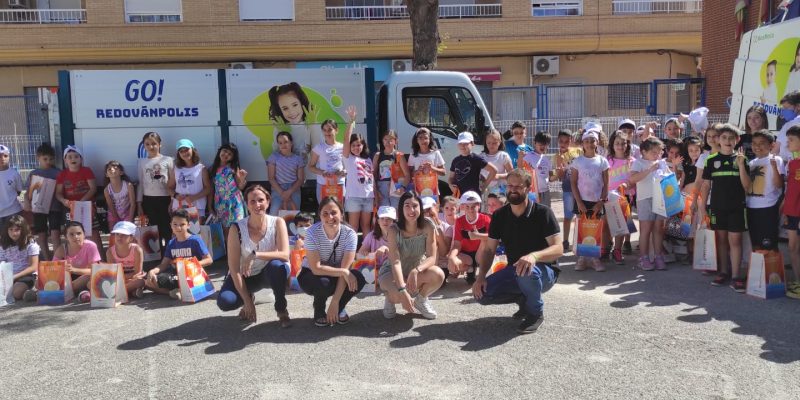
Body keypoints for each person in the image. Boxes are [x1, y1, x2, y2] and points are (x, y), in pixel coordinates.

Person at [472, 168, 563, 334]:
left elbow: (558, 248)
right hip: (515, 270)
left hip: (544, 271)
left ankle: (536, 313)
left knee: (526, 269)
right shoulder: (499, 216)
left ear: (528, 188)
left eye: (518, 186)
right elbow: (489, 250)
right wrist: (480, 278)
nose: (513, 190)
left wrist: (534, 256)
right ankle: (525, 299)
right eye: (509, 186)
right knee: (481, 295)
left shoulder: (543, 213)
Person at [218, 185, 292, 327]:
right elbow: (234, 269)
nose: (257, 205)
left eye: (261, 200)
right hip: (246, 275)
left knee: (278, 266)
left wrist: (255, 254)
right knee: (226, 302)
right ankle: (249, 296)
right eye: (252, 201)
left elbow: (284, 254)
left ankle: (281, 309)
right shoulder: (236, 228)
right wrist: (247, 301)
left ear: (268, 202)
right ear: (246, 204)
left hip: (269, 273)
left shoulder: (277, 222)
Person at [697, 124, 751, 292]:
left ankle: (736, 276)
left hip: (737, 207)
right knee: (721, 240)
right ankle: (723, 272)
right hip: (717, 207)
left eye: (731, 138)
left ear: (737, 140)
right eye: (724, 138)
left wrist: (741, 165)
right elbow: (706, 185)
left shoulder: (743, 159)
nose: (728, 141)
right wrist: (702, 207)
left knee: (735, 241)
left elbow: (748, 187)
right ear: (718, 140)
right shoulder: (711, 160)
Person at [297, 197, 365, 327]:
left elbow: (345, 269)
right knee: (324, 282)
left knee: (358, 279)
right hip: (311, 274)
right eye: (325, 214)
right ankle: (319, 309)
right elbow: (316, 268)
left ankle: (339, 308)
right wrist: (344, 272)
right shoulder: (311, 233)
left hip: (338, 273)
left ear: (342, 214)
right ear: (320, 216)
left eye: (334, 212)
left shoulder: (350, 234)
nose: (330, 217)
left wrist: (335, 302)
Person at [379, 192, 444, 319]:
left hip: (416, 269)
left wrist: (416, 270)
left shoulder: (428, 225)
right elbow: (395, 262)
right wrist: (402, 290)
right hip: (392, 271)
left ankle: (421, 300)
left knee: (438, 274)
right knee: (398, 295)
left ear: (420, 207)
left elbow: (431, 257)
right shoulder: (393, 230)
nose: (411, 210)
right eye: (407, 206)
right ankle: (390, 299)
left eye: (415, 206)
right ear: (401, 209)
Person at [145, 209, 213, 299]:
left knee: (179, 281)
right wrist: (153, 271)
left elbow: (209, 260)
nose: (178, 228)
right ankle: (175, 292)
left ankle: (179, 290)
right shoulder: (171, 243)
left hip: (193, 275)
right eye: (175, 224)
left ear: (188, 225)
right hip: (176, 275)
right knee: (148, 282)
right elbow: (164, 264)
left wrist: (190, 264)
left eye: (182, 225)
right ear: (171, 225)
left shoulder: (195, 240)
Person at [570, 130, 610, 272]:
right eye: (586, 141)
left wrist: (601, 201)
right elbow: (573, 183)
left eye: (592, 140)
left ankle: (594, 259)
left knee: (595, 228)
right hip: (582, 201)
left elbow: (606, 184)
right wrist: (579, 202)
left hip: (597, 202)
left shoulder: (603, 161)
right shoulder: (577, 161)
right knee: (582, 227)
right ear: (582, 144)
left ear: (597, 142)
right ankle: (582, 258)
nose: (590, 143)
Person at [629, 137, 671, 271]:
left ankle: (658, 257)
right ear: (644, 152)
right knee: (646, 230)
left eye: (659, 152)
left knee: (659, 229)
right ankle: (644, 258)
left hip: (660, 199)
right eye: (654, 152)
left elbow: (669, 178)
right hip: (645, 199)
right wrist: (649, 170)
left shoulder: (662, 163)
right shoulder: (638, 163)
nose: (657, 155)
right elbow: (632, 179)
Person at [55, 145, 103, 257]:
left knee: (93, 234)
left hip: (86, 207)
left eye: (76, 156)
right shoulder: (62, 174)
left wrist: (81, 202)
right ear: (65, 160)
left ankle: (101, 259)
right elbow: (58, 193)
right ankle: (76, 259)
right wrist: (63, 201)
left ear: (81, 159)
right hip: (70, 208)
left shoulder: (86, 171)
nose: (73, 159)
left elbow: (93, 188)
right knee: (72, 235)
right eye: (70, 157)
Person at [137, 131, 174, 255]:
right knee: (153, 229)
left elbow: (173, 182)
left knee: (166, 228)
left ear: (160, 144)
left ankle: (168, 255)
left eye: (154, 144)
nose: (151, 147)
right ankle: (156, 256)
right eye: (147, 144)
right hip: (149, 200)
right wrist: (139, 203)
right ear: (144, 146)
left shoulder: (168, 160)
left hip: (165, 200)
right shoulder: (141, 162)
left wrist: (173, 200)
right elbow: (141, 183)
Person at [746, 130, 784, 252]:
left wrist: (774, 167)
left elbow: (779, 185)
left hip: (768, 208)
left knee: (769, 244)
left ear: (771, 145)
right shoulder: (751, 163)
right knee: (755, 243)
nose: (757, 146)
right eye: (754, 143)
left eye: (762, 143)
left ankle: (772, 270)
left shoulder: (776, 160)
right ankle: (758, 270)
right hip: (750, 207)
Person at [23, 142, 61, 261]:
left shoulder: (58, 173)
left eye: (50, 159)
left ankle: (57, 259)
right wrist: (26, 202)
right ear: (38, 158)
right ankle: (46, 258)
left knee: (55, 233)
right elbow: (28, 192)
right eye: (45, 158)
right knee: (41, 233)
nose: (48, 161)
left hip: (55, 207)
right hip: (38, 208)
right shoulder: (34, 173)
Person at [342, 106, 375, 235]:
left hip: (368, 197)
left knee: (366, 226)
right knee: (353, 227)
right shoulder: (348, 158)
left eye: (359, 145)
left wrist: (375, 196)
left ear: (363, 145)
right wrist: (351, 121)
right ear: (350, 147)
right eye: (354, 145)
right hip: (354, 197)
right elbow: (346, 139)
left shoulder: (368, 159)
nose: (356, 147)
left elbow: (372, 179)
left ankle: (366, 252)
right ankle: (352, 252)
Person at [448, 191, 491, 284]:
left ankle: (481, 273)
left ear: (479, 206)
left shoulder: (486, 219)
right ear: (463, 207)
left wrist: (478, 236)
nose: (470, 210)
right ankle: (470, 269)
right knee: (451, 266)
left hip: (481, 253)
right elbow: (457, 244)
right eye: (467, 206)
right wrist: (452, 257)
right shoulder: (459, 221)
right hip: (466, 254)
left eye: (473, 207)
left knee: (485, 241)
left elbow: (494, 237)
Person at [52, 221, 101, 303]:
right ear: (66, 237)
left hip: (85, 276)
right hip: (68, 278)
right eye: (71, 234)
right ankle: (79, 292)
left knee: (88, 277)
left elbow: (95, 270)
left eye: (79, 233)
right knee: (39, 281)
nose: (76, 237)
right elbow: (52, 269)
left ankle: (65, 292)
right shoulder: (62, 249)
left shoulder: (91, 246)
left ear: (84, 234)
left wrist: (74, 270)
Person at [606, 130, 635, 265]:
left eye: (623, 143)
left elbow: (635, 179)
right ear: (612, 145)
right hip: (609, 198)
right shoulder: (608, 161)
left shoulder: (632, 161)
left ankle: (617, 250)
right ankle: (606, 247)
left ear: (627, 145)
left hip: (626, 198)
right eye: (617, 143)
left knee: (622, 226)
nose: (620, 146)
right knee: (608, 224)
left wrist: (628, 186)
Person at [268, 82, 317, 155]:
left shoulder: (310, 124)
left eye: (295, 105)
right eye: (285, 108)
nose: (291, 112)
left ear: (301, 103)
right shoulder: (280, 127)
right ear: (280, 110)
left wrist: (313, 126)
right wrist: (283, 133)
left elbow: (318, 149)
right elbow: (276, 153)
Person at [208, 143, 247, 234]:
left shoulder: (233, 168)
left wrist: (242, 178)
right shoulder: (212, 169)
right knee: (224, 229)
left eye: (230, 154)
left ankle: (237, 247)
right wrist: (210, 207)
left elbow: (240, 186)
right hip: (221, 203)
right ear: (219, 151)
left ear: (233, 157)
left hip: (235, 202)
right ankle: (227, 248)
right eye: (225, 151)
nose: (226, 155)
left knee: (237, 227)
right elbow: (211, 190)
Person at [554, 129, 581, 252]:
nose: (563, 144)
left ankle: (578, 240)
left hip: (581, 189)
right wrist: (560, 171)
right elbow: (558, 176)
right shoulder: (557, 156)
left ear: (571, 141)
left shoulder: (578, 151)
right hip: (567, 190)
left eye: (566, 141)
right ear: (558, 141)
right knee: (567, 217)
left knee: (580, 216)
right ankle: (565, 240)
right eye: (561, 141)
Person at [0, 215, 39, 301]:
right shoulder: (4, 244)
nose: (14, 233)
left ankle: (33, 291)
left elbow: (33, 267)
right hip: (8, 275)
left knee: (17, 293)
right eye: (11, 230)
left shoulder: (31, 244)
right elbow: (2, 262)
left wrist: (15, 276)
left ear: (23, 230)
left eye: (17, 230)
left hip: (26, 275)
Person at [169, 139, 211, 218]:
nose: (184, 153)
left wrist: (194, 197)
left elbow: (208, 188)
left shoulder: (201, 168)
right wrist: (175, 196)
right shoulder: (176, 169)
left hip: (197, 207)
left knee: (195, 230)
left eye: (187, 149)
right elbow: (169, 187)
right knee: (180, 229)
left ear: (193, 149)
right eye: (181, 151)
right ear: (178, 154)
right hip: (179, 208)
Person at [781, 125, 800, 299]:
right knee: (792, 247)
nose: (788, 143)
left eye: (791, 140)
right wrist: (785, 210)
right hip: (791, 212)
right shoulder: (792, 163)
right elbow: (791, 190)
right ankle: (797, 280)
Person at [308, 119, 346, 204]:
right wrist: (322, 172)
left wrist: (343, 172)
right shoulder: (318, 148)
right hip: (323, 185)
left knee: (339, 210)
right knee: (324, 210)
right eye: (324, 130)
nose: (327, 133)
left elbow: (348, 167)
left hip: (339, 184)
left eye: (330, 130)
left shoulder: (343, 147)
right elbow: (311, 167)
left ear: (336, 130)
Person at [267, 131, 305, 214]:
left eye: (286, 142)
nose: (283, 145)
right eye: (280, 143)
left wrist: (289, 192)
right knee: (274, 214)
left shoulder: (298, 159)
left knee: (294, 216)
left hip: (294, 189)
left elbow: (301, 179)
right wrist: (282, 193)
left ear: (291, 143)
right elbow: (271, 178)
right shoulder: (273, 157)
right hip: (278, 189)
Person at [105, 221, 145, 299]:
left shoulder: (137, 250)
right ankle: (130, 291)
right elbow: (113, 273)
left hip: (133, 278)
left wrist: (124, 278)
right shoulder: (110, 252)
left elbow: (137, 272)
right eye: (117, 234)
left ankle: (116, 293)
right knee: (91, 283)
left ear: (131, 238)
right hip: (119, 279)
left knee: (140, 281)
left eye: (123, 235)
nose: (119, 237)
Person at [449, 131, 496, 197]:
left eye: (465, 143)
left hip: (473, 196)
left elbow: (493, 170)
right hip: (459, 196)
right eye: (460, 143)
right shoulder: (455, 160)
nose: (462, 146)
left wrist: (484, 187)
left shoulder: (476, 159)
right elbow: (451, 177)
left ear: (472, 143)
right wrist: (450, 185)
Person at [373, 129, 410, 209]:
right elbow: (373, 175)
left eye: (391, 140)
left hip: (396, 187)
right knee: (384, 213)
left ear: (396, 141)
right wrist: (376, 191)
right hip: (381, 188)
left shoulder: (399, 155)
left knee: (396, 212)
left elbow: (407, 175)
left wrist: (402, 188)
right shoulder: (378, 155)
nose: (388, 142)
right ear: (382, 141)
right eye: (385, 139)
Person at [407, 127, 446, 198]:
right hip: (417, 191)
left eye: (425, 138)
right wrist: (417, 171)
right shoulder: (413, 155)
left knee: (432, 209)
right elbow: (409, 174)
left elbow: (443, 172)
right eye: (420, 138)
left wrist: (433, 168)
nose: (423, 140)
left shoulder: (436, 153)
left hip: (433, 190)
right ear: (417, 140)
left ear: (429, 139)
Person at [521, 131, 553, 208]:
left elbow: (551, 177)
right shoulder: (528, 157)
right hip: (532, 192)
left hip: (545, 191)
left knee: (545, 213)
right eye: (540, 144)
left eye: (545, 144)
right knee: (532, 215)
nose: (543, 146)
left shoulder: (547, 160)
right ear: (534, 143)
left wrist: (559, 173)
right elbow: (521, 171)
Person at [480, 128, 513, 199]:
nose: (491, 145)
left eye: (494, 143)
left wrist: (498, 176)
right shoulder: (481, 156)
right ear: (485, 142)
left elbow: (511, 174)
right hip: (484, 191)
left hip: (500, 192)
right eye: (489, 143)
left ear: (500, 142)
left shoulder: (503, 156)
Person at [103, 160, 136, 230]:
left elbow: (133, 204)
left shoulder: (128, 185)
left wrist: (130, 219)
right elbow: (110, 206)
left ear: (121, 172)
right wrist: (117, 220)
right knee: (114, 233)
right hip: (113, 215)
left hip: (127, 213)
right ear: (106, 174)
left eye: (115, 168)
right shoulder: (106, 190)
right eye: (109, 169)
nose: (112, 169)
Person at [0, 145, 23, 228]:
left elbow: (19, 191)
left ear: (9, 157)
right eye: (0, 156)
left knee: (15, 237)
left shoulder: (14, 174)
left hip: (14, 211)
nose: (2, 158)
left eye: (5, 156)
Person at [775, 91, 800, 162]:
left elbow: (775, 150)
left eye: (786, 108)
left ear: (798, 106)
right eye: (783, 108)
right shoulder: (787, 125)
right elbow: (776, 150)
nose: (783, 111)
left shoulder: (789, 124)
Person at [761, 60, 779, 130]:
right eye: (767, 75)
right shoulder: (766, 89)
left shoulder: (774, 88)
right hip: (766, 120)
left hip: (771, 122)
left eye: (771, 74)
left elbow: (772, 105)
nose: (769, 78)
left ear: (775, 74)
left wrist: (764, 102)